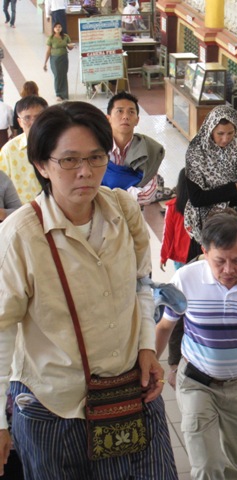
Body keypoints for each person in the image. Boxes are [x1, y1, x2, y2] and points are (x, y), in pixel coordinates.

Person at [0, 101, 178, 478]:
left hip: (129, 392)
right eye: (69, 160)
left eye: (96, 158)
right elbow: (2, 329)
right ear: (42, 165)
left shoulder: (123, 210)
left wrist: (147, 346)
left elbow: (141, 283)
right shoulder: (19, 236)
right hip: (54, 410)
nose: (85, 172)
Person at [156, 213, 237, 480]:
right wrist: (155, 365)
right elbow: (166, 327)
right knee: (206, 465)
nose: (229, 270)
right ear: (205, 251)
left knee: (234, 464)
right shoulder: (186, 278)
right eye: (219, 261)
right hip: (196, 382)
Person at [184, 104, 237, 260]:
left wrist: (213, 195)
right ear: (210, 129)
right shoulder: (196, 154)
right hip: (205, 226)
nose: (226, 139)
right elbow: (197, 198)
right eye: (220, 133)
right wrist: (232, 189)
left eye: (230, 133)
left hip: (236, 225)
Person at [102, 91, 165, 205]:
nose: (125, 116)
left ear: (137, 120)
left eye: (131, 112)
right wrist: (130, 191)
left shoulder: (149, 149)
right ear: (108, 118)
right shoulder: (98, 147)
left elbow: (148, 194)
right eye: (120, 111)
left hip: (133, 212)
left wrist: (110, 196)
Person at [0, 95, 48, 203]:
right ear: (20, 122)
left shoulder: (58, 145)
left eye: (38, 117)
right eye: (27, 118)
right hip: (22, 210)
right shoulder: (9, 151)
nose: (33, 122)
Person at [160, 168, 190, 272]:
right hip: (200, 255)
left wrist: (163, 256)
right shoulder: (204, 206)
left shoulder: (173, 206)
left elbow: (167, 234)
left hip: (180, 255)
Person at [43, 22, 75, 102]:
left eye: (59, 27)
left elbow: (69, 47)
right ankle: (58, 94)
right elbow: (48, 51)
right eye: (56, 27)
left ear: (61, 28)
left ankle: (64, 94)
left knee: (63, 75)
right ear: (53, 28)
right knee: (57, 76)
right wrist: (45, 63)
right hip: (55, 59)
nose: (58, 28)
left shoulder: (65, 37)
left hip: (64, 58)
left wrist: (71, 46)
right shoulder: (51, 38)